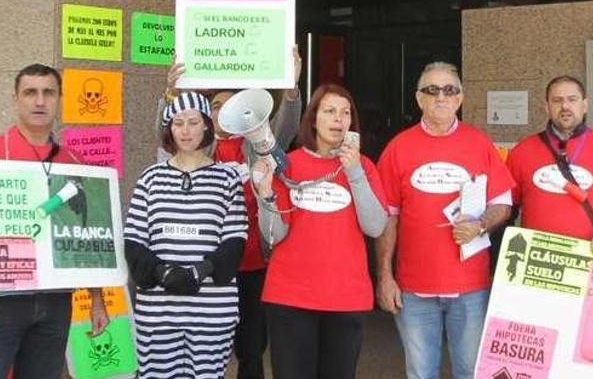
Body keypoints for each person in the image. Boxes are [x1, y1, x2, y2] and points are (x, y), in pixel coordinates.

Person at [0, 63, 108, 379]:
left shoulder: (76, 162)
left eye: (48, 93)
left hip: (55, 300)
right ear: (15, 99)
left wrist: (96, 299)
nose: (40, 101)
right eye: (30, 93)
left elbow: (89, 237)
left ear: (59, 99)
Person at [158, 49, 303, 379]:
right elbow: (165, 136)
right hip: (209, 265)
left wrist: (291, 89)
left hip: (253, 263)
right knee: (207, 347)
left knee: (252, 349)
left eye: (229, 104)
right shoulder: (198, 146)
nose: (223, 110)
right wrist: (171, 94)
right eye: (216, 105)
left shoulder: (256, 143)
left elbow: (287, 126)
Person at [375, 62, 515, 379]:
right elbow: (387, 219)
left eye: (449, 90)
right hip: (413, 289)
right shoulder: (398, 148)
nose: (441, 96)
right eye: (432, 90)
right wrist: (385, 277)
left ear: (460, 98)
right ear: (419, 98)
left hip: (470, 287)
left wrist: (480, 224)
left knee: (470, 372)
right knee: (421, 373)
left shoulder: (479, 144)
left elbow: (503, 203)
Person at [251, 83, 387, 379]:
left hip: (345, 298)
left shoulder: (364, 166)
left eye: (345, 113)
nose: (338, 119)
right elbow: (275, 234)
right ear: (313, 119)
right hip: (290, 297)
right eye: (329, 111)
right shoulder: (288, 165)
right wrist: (265, 196)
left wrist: (354, 173)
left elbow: (375, 226)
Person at [124, 91, 248, 379]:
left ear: (206, 125)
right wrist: (161, 272)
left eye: (193, 122)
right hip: (158, 313)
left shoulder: (227, 179)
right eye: (178, 123)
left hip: (211, 312)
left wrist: (200, 271)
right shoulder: (150, 178)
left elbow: (234, 241)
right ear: (169, 128)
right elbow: (134, 241)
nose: (185, 130)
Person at [506, 76, 593, 259]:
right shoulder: (523, 152)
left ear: (585, 105)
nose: (565, 106)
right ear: (547, 107)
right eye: (557, 101)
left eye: (572, 100)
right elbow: (505, 210)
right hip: (537, 267)